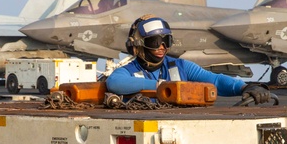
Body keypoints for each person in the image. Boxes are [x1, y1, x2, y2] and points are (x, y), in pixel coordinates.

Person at [106, 15, 271, 104]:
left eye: (166, 41)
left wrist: (244, 87)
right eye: (155, 42)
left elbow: (215, 81)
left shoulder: (181, 67)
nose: (162, 47)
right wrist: (164, 87)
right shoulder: (129, 71)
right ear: (139, 44)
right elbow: (114, 83)